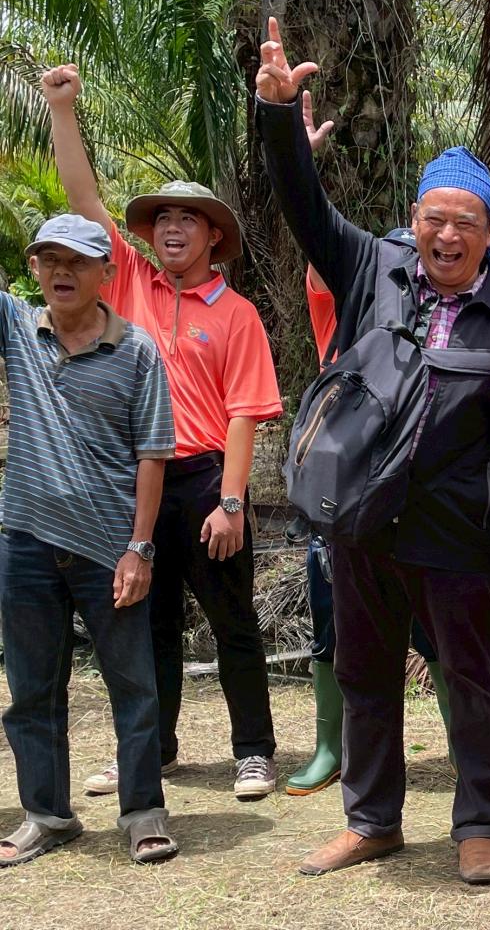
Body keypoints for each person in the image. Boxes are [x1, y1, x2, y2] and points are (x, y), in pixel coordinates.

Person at [256, 17, 490, 885]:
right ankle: (373, 820)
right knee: (365, 674)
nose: (447, 236)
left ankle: (480, 823)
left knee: (470, 678)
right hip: (359, 521)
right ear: (413, 220)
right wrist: (277, 118)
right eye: (435, 218)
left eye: (466, 223)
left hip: (454, 532)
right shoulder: (369, 269)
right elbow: (304, 205)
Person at [42, 65, 284, 800]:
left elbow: (244, 410)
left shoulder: (236, 314)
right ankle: (155, 748)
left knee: (232, 620)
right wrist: (61, 110)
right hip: (135, 482)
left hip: (207, 480)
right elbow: (84, 204)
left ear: (214, 236)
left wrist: (232, 502)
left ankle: (254, 751)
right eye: (163, 219)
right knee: (145, 622)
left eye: (189, 219)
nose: (173, 228)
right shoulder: (131, 284)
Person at [285, 97, 455, 797]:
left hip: (423, 492)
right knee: (333, 619)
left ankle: (464, 743)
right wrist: (298, 156)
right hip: (344, 480)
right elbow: (314, 227)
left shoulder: (450, 316)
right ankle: (332, 747)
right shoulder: (347, 294)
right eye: (398, 255)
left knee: (436, 629)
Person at [0, 215, 177, 865]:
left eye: (76, 261)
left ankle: (143, 812)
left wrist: (140, 548)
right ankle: (47, 816)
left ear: (107, 272)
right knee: (31, 690)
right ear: (35, 268)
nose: (61, 272)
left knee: (133, 687)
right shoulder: (17, 329)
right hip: (24, 540)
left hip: (109, 549)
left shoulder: (136, 351)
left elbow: (153, 455)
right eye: (49, 259)